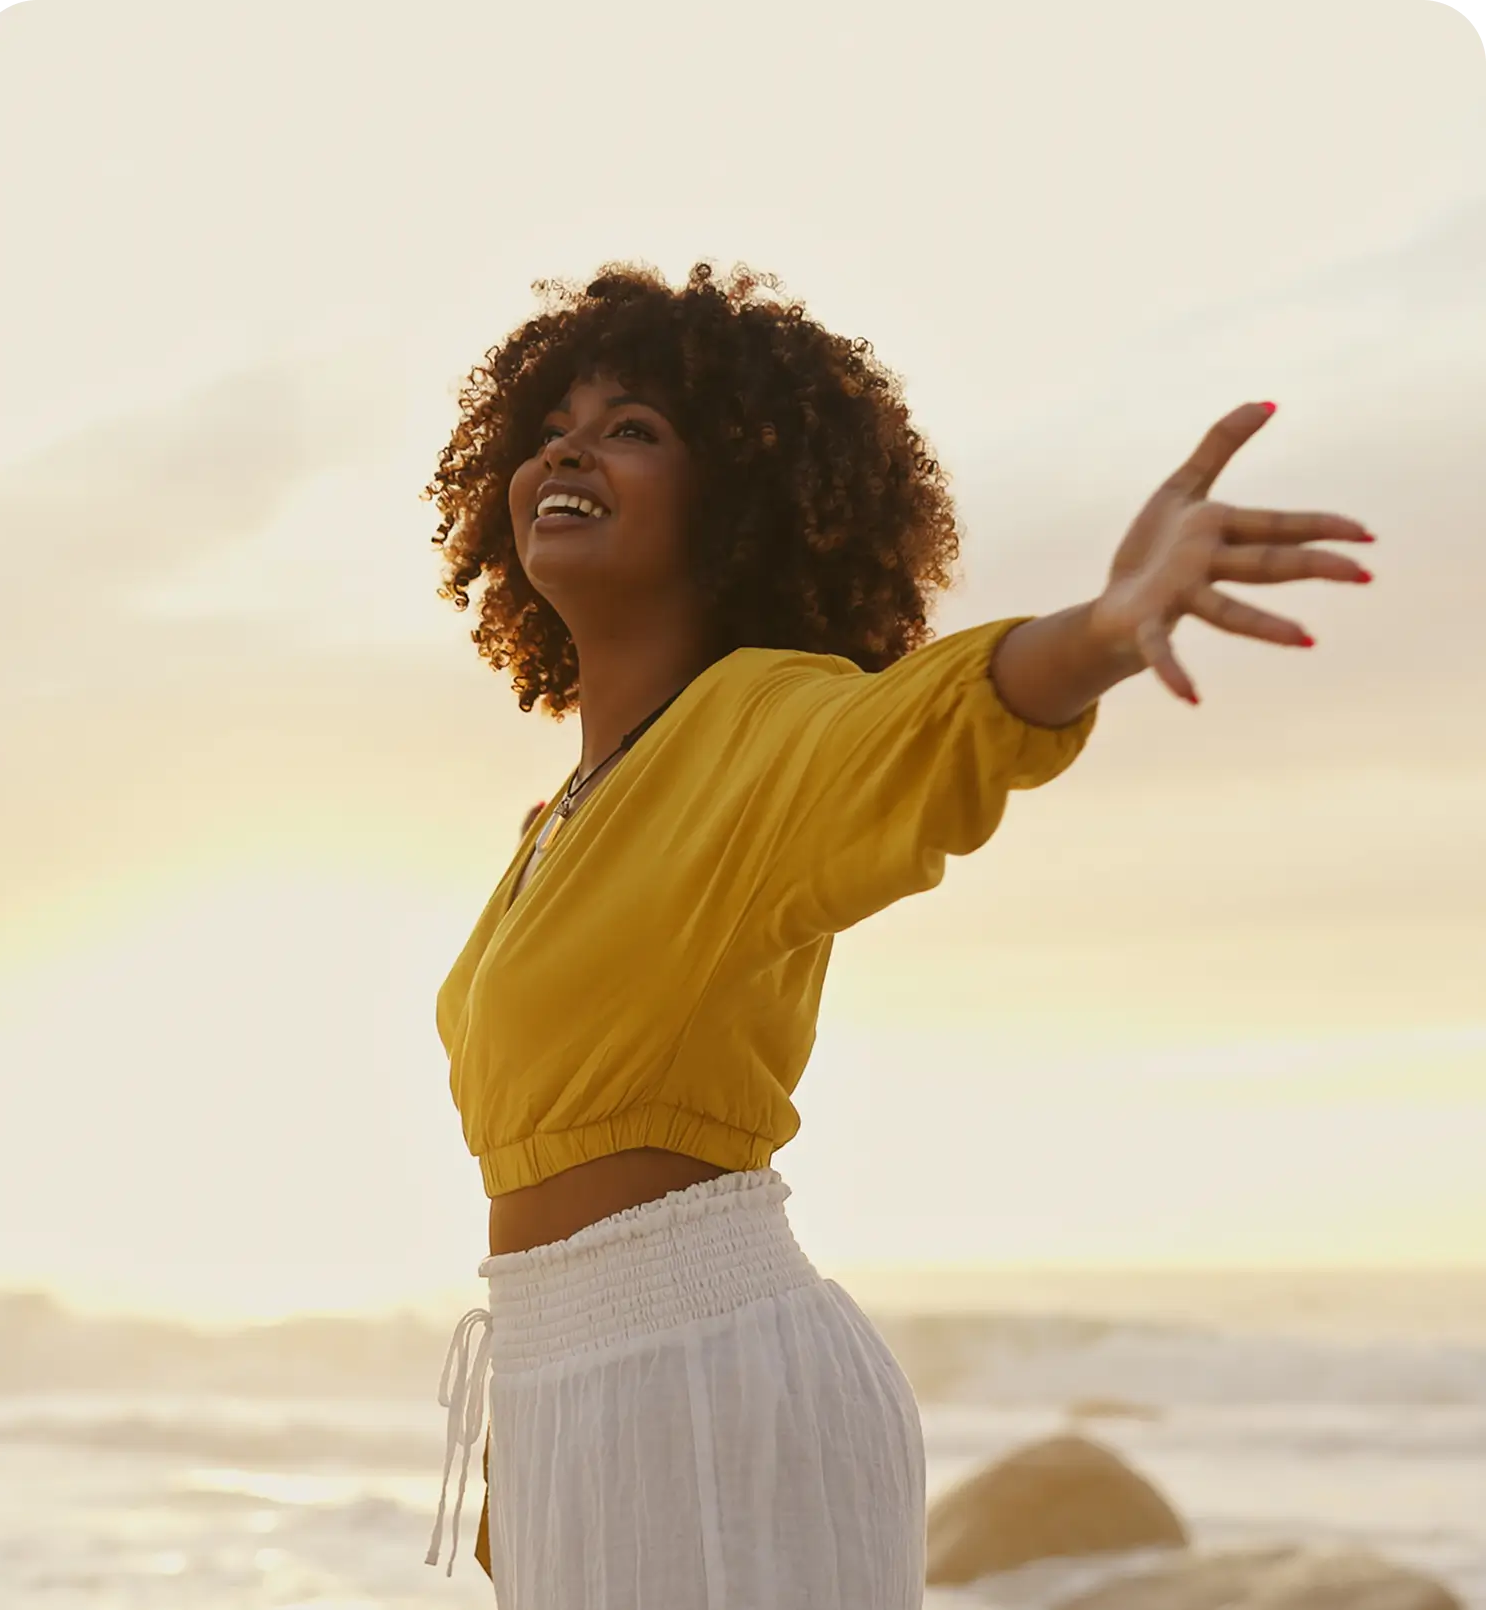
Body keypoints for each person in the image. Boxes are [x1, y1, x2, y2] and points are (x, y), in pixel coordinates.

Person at [417, 262, 1375, 1608]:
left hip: (708, 1380)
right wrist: (540, 1438)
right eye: (556, 425)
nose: (569, 446)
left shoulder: (763, 726)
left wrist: (1101, 629)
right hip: (587, 1391)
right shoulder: (556, 821)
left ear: (736, 507)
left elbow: (924, 728)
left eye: (636, 426)